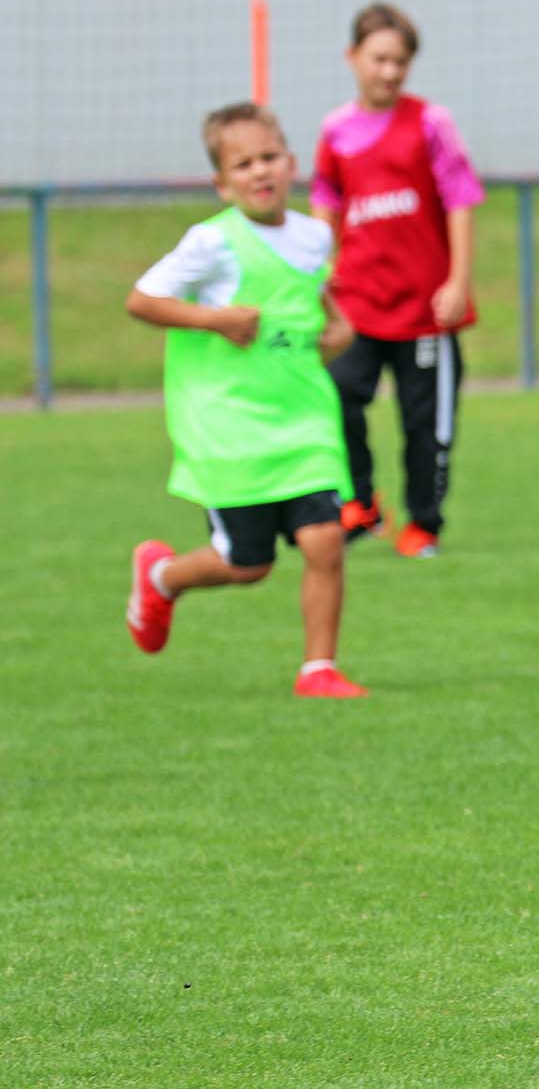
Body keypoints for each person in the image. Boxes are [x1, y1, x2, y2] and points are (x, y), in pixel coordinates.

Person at [123, 102, 367, 700]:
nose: (260, 172)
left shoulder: (313, 237)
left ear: (291, 163)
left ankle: (319, 670)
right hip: (231, 428)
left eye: (269, 158)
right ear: (222, 181)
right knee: (247, 565)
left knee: (325, 540)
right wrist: (215, 319)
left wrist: (340, 331)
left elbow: (318, 310)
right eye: (243, 164)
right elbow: (142, 301)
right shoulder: (211, 243)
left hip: (304, 420)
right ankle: (161, 576)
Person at [312, 0, 485, 559]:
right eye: (379, 58)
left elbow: (460, 201)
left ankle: (423, 526)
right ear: (353, 57)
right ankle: (360, 505)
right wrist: (317, 279)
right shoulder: (336, 130)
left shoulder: (431, 123)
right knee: (335, 394)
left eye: (400, 61)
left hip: (424, 307)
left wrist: (457, 281)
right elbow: (325, 206)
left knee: (425, 424)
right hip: (358, 301)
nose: (389, 71)